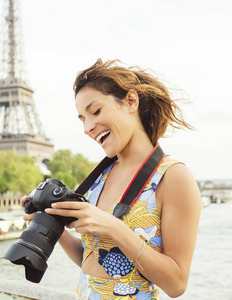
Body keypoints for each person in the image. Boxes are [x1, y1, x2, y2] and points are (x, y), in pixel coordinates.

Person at [20, 59, 201, 299]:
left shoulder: (174, 177)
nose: (87, 128)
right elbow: (92, 261)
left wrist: (115, 228)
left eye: (95, 112)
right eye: (82, 119)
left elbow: (177, 283)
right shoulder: (98, 176)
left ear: (131, 101)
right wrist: (52, 224)